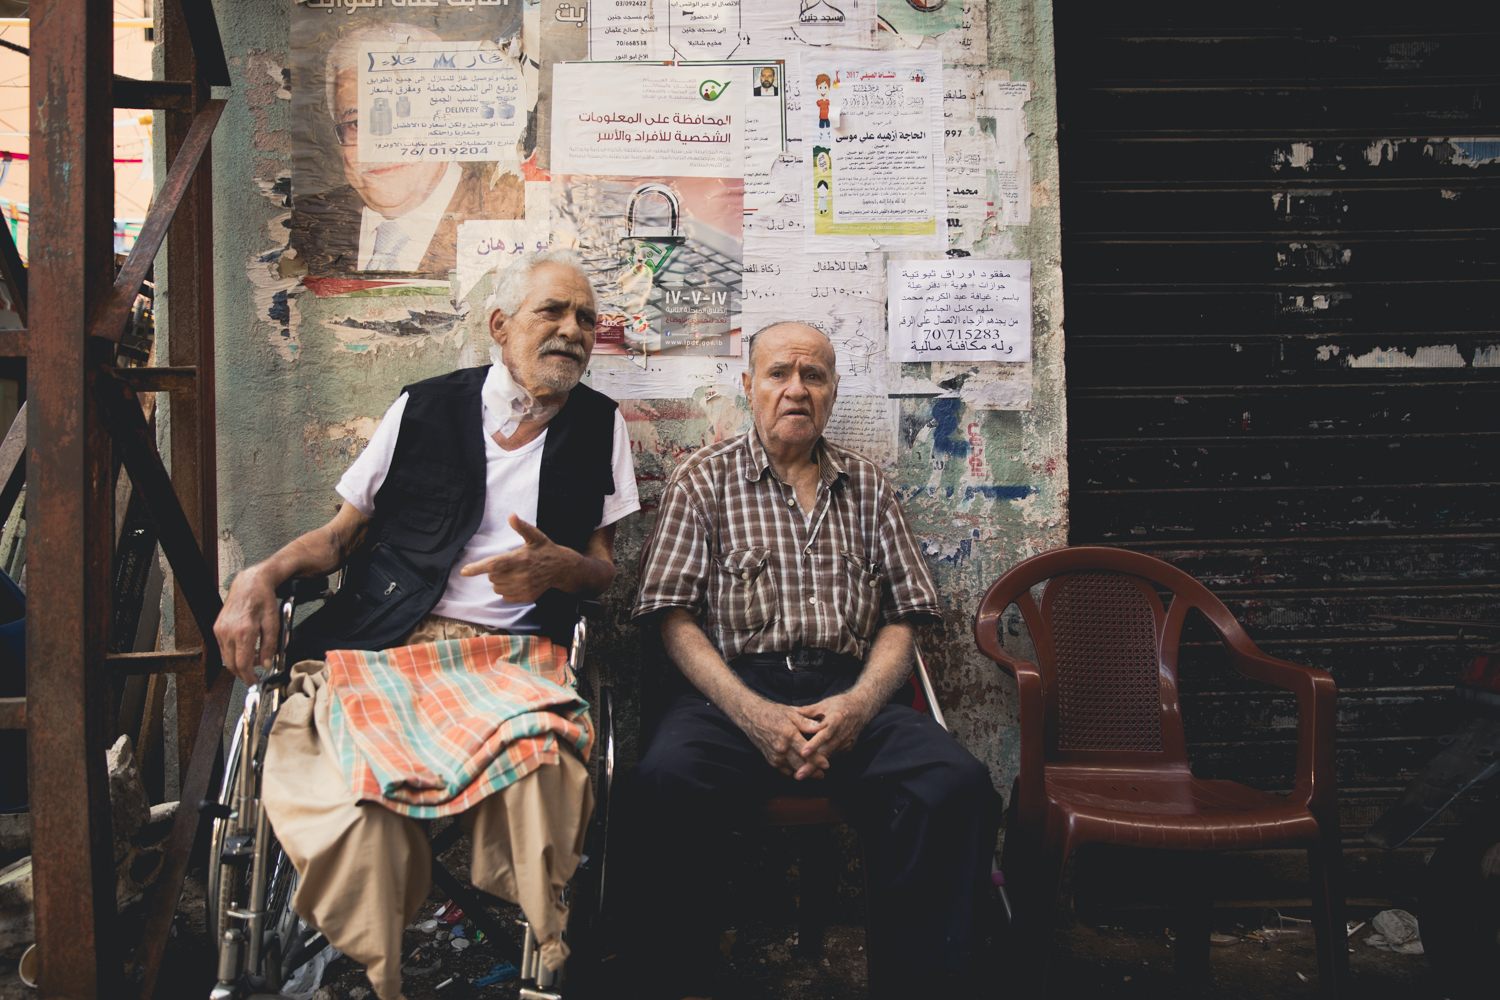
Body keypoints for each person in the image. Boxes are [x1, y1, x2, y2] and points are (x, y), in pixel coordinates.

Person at [213, 250, 639, 1000]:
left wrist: (559, 569)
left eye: (587, 319)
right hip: (390, 641)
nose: (574, 330)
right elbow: (341, 535)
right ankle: (370, 956)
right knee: (344, 781)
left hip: (515, 659)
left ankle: (534, 953)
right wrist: (261, 575)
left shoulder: (603, 427)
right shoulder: (425, 406)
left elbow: (603, 570)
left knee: (548, 765)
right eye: (554, 312)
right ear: (500, 325)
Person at [631, 321, 1002, 999]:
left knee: (955, 784)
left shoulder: (866, 484)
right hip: (731, 690)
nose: (796, 389)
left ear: (831, 393)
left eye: (815, 376)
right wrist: (750, 713)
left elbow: (905, 617)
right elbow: (672, 618)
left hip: (848, 689)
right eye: (779, 374)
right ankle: (677, 978)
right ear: (749, 387)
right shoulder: (702, 480)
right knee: (665, 778)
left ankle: (925, 983)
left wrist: (859, 707)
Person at [288, 22, 526, 277]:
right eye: (357, 123)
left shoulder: (514, 214)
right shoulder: (300, 227)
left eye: (403, 118)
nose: (379, 147)